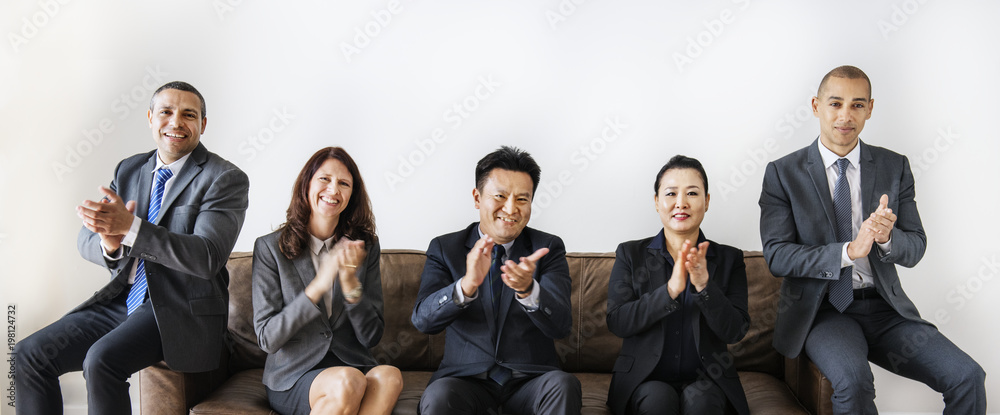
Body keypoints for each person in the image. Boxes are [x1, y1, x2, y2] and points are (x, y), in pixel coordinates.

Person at [759, 65, 986, 414]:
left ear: (870, 108)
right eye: (835, 104)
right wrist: (849, 251)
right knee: (853, 380)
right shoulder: (783, 172)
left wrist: (886, 238)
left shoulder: (893, 166)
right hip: (824, 311)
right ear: (816, 106)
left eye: (857, 105)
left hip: (884, 308)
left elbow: (916, 246)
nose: (846, 116)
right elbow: (777, 255)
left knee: (967, 376)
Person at [14, 81, 250, 414]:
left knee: (101, 360)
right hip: (122, 301)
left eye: (189, 115)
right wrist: (110, 243)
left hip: (177, 308)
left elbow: (206, 257)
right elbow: (87, 238)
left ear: (203, 125)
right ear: (151, 118)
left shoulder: (223, 178)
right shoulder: (130, 169)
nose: (176, 122)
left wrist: (131, 229)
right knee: (29, 353)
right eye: (166, 112)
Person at [411, 146, 582, 414]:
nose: (511, 209)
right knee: (439, 395)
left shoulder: (548, 247)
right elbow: (423, 320)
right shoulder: (446, 248)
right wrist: (466, 285)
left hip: (530, 381)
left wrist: (528, 291)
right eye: (500, 196)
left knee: (563, 385)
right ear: (477, 198)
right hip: (465, 382)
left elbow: (561, 326)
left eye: (522, 199)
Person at [252, 147, 402, 415]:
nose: (333, 190)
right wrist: (318, 286)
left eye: (344, 183)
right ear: (306, 183)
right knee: (347, 381)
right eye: (324, 179)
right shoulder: (270, 249)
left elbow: (371, 337)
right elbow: (268, 338)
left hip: (352, 363)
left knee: (389, 376)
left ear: (351, 196)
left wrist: (349, 284)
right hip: (295, 374)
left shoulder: (365, 247)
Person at [606, 155, 750, 415]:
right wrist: (670, 291)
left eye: (692, 193)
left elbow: (735, 331)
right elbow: (617, 321)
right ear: (656, 202)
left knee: (702, 401)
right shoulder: (630, 254)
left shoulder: (730, 259)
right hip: (645, 380)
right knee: (656, 400)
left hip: (709, 379)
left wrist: (705, 286)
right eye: (671, 193)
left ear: (706, 201)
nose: (681, 203)